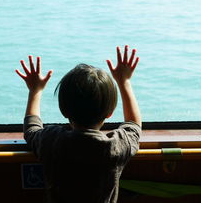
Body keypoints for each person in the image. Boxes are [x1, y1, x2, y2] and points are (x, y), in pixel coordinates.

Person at [15, 45, 142, 203]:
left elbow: (31, 129)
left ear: (63, 110)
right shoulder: (115, 147)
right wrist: (124, 82)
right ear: (110, 113)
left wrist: (35, 90)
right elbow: (134, 127)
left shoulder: (52, 141)